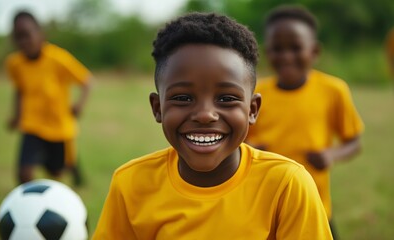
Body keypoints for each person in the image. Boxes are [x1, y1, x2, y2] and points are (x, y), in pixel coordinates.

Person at [93, 12, 332, 239]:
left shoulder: (287, 184)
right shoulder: (131, 184)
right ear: (157, 108)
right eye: (183, 98)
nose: (205, 115)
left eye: (226, 99)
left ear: (252, 109)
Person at [245, 6, 364, 238]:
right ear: (266, 52)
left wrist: (331, 155)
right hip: (265, 204)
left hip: (315, 203)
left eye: (295, 48)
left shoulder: (333, 90)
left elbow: (354, 142)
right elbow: (240, 138)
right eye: (277, 49)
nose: (286, 56)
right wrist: (250, 148)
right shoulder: (255, 93)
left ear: (314, 51)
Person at [6, 11, 92, 186]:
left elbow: (87, 81)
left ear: (40, 33)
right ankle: (28, 205)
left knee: (56, 171)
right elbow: (19, 90)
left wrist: (79, 105)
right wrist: (17, 116)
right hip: (31, 125)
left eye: (27, 35)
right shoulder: (14, 64)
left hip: (57, 126)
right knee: (24, 173)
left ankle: (73, 168)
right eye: (18, 37)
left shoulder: (58, 58)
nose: (23, 41)